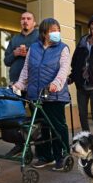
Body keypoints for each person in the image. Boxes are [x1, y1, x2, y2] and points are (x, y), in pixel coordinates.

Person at [13, 18, 72, 171]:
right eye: (53, 30)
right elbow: (26, 70)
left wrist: (56, 84)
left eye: (57, 30)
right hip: (35, 95)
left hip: (54, 95)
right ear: (44, 33)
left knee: (57, 126)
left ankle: (62, 155)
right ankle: (45, 156)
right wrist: (19, 84)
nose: (56, 33)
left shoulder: (63, 48)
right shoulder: (33, 48)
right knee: (40, 127)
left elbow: (63, 70)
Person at [3, 11, 38, 157]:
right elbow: (6, 61)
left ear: (33, 23)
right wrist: (16, 53)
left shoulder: (38, 37)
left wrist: (28, 52)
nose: (25, 21)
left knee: (38, 116)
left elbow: (43, 55)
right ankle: (20, 145)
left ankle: (42, 149)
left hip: (34, 83)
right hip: (16, 85)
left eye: (29, 19)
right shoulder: (14, 39)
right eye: (23, 19)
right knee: (15, 117)